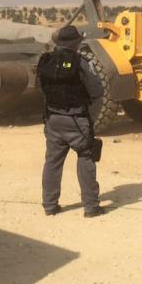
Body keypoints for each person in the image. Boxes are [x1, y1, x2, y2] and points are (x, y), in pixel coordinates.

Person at [37, 25, 105, 218]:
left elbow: (41, 88)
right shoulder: (81, 62)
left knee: (52, 162)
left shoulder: (46, 60)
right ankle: (91, 207)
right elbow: (97, 91)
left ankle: (49, 205)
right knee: (86, 157)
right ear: (76, 43)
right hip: (77, 120)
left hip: (52, 119)